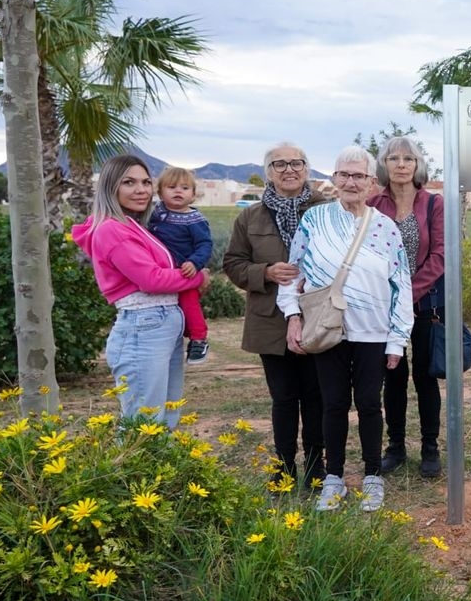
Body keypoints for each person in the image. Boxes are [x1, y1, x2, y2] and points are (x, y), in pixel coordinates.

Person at [277, 146, 414, 512]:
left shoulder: (386, 228)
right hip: (327, 331)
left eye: (359, 176)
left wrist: (397, 340)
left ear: (372, 182)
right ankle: (333, 478)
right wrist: (292, 315)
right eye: (344, 175)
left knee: (370, 404)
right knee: (332, 405)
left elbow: (401, 284)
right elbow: (293, 273)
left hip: (374, 333)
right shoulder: (314, 221)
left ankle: (372, 477)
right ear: (334, 179)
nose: (351, 182)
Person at [72, 154, 209, 428]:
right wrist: (197, 278)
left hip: (158, 323)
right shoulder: (111, 230)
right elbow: (151, 279)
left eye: (146, 182)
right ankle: (136, 473)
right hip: (142, 325)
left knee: (164, 419)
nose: (141, 189)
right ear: (111, 187)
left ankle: (158, 472)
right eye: (129, 182)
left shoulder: (131, 224)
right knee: (143, 423)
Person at [223, 142, 328, 491]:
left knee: (315, 396)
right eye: (279, 164)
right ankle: (283, 467)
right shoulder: (249, 217)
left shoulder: (326, 210)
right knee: (283, 397)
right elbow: (233, 264)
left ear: (307, 169)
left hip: (316, 315)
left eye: (297, 162)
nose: (289, 170)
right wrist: (265, 272)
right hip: (270, 320)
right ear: (268, 172)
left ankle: (316, 467)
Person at [368, 136, 446, 479]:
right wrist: (391, 299)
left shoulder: (433, 203)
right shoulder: (372, 204)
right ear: (384, 165)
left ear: (418, 165)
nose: (401, 164)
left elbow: (440, 255)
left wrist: (407, 294)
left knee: (425, 378)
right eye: (394, 158)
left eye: (408, 159)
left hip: (425, 304)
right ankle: (395, 447)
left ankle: (430, 448)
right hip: (382, 307)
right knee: (393, 378)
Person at [147, 167, 213, 364]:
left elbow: (205, 244)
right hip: (161, 271)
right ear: (160, 193)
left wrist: (195, 262)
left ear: (193, 195)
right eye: (172, 187)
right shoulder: (156, 213)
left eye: (185, 188)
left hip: (184, 271)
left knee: (188, 302)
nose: (178, 191)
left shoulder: (194, 219)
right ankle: (184, 332)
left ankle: (199, 338)